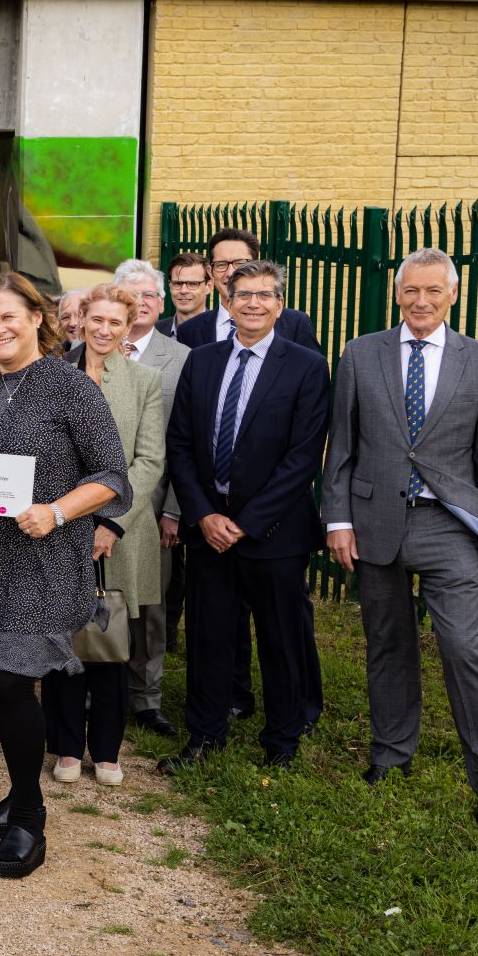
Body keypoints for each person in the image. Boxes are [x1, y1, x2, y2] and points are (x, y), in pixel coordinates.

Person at [0, 272, 129, 880]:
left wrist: (59, 510)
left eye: (9, 317)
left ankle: (29, 820)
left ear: (37, 318)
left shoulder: (70, 387)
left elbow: (113, 476)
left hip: (43, 562)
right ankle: (16, 790)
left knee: (11, 683)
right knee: (0, 681)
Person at [323, 248, 478, 826]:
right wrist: (338, 521)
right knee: (387, 643)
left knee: (463, 649)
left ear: (452, 296)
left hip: (449, 526)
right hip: (375, 521)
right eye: (412, 291)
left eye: (434, 291)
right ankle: (390, 754)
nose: (422, 301)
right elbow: (342, 444)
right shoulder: (361, 354)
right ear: (398, 293)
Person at [161, 260, 329, 774]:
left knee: (279, 638)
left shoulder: (305, 365)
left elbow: (303, 456)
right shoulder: (203, 360)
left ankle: (281, 740)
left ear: (280, 304)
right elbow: (181, 444)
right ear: (226, 301)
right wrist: (205, 514)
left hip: (274, 531)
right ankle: (204, 734)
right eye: (243, 295)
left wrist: (248, 522)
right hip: (209, 527)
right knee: (209, 636)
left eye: (264, 295)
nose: (253, 303)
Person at [44, 285, 165, 788]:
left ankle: (108, 750)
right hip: (56, 527)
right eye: (96, 319)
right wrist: (62, 514)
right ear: (80, 319)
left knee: (110, 641)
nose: (103, 330)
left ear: (129, 325)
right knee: (60, 642)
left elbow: (150, 460)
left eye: (116, 322)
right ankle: (68, 748)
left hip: (121, 530)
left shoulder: (144, 381)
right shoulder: (51, 376)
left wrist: (109, 521)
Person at [114, 259, 190, 738]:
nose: (143, 304)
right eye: (132, 295)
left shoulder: (180, 358)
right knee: (99, 599)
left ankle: (146, 696)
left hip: (154, 505)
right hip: (89, 505)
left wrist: (173, 511)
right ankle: (96, 686)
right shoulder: (87, 352)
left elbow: (185, 440)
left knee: (151, 607)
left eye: (150, 296)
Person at [174, 229, 319, 353]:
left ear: (256, 265)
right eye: (221, 264)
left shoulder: (296, 324)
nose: (230, 272)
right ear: (210, 271)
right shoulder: (188, 331)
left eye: (240, 263)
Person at [161, 252, 209, 336]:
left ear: (209, 286)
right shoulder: (154, 332)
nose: (183, 291)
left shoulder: (220, 333)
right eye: (177, 283)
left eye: (192, 284)